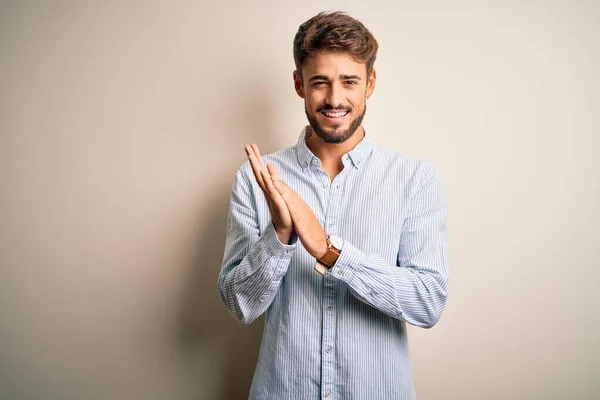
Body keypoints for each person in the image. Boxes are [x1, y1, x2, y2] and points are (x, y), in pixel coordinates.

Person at [217, 11, 449, 400]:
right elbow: (241, 306)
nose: (334, 99)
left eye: (349, 82)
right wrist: (279, 235)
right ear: (299, 84)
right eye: (320, 82)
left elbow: (428, 301)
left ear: (370, 83)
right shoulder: (255, 179)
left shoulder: (415, 179)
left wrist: (330, 251)